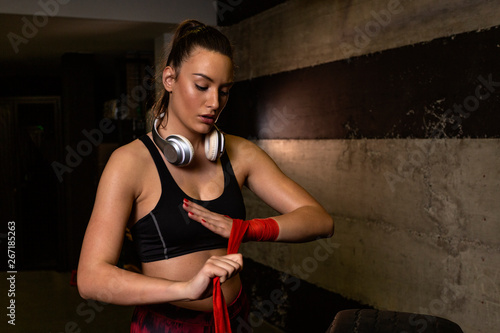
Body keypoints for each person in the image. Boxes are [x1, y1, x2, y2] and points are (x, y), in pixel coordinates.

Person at [77, 19, 334, 332]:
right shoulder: (129, 163)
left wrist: (245, 229)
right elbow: (91, 278)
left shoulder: (240, 153)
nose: (214, 103)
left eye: (223, 91)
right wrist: (185, 288)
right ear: (169, 78)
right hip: (167, 324)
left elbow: (320, 220)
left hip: (235, 317)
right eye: (202, 86)